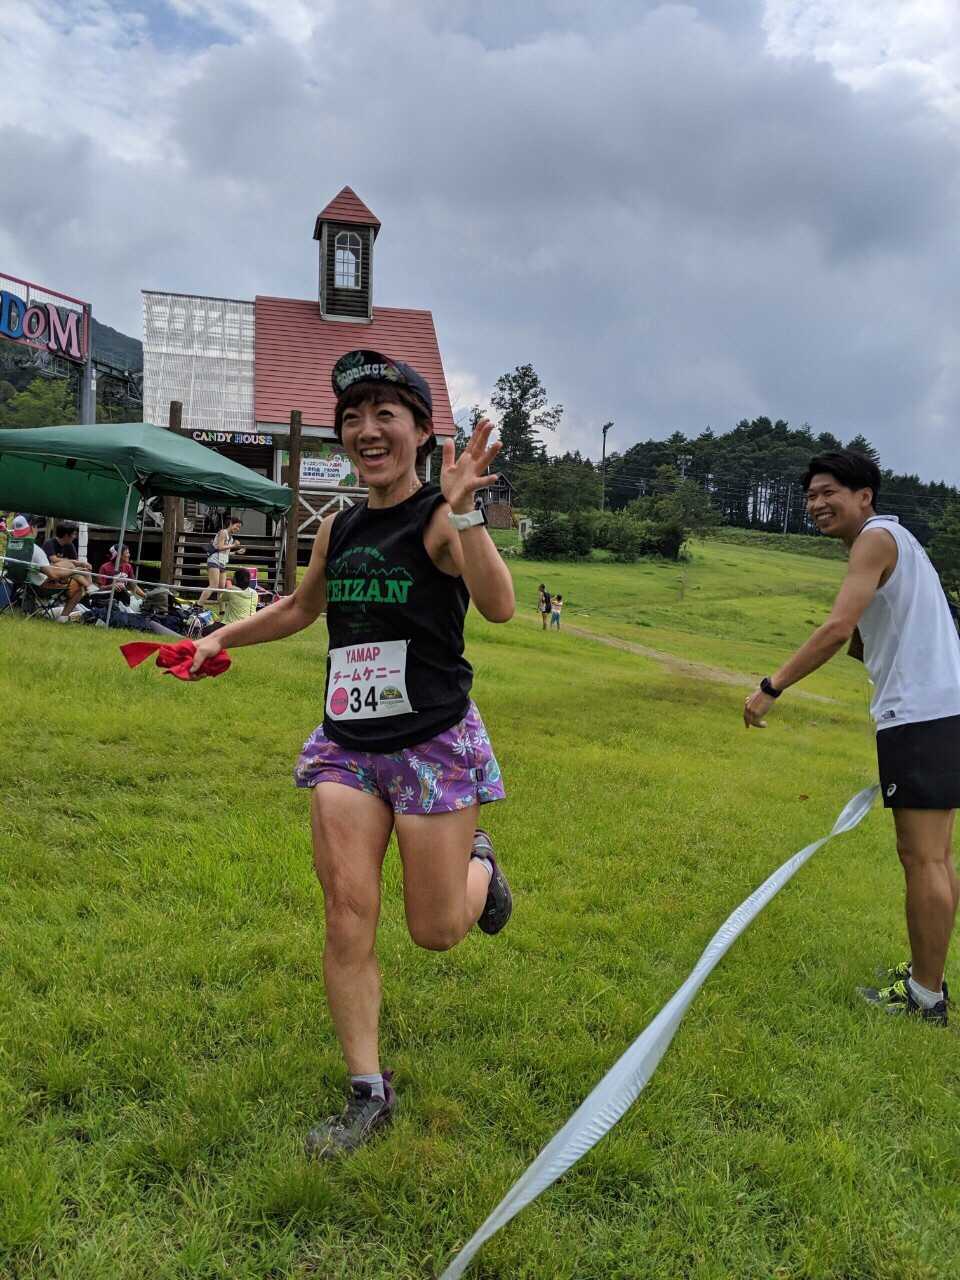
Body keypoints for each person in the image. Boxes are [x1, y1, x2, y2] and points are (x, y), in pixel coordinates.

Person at [189, 348, 516, 1153]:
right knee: (346, 915)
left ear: (420, 433)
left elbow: (500, 605)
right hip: (347, 747)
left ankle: (480, 868)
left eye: (385, 415)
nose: (367, 430)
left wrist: (466, 512)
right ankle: (367, 1092)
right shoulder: (339, 527)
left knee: (436, 930)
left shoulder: (438, 519)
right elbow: (302, 609)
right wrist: (222, 636)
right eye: (353, 418)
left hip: (431, 744)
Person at [743, 449, 960, 1026]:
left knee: (923, 857)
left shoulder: (873, 539)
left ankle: (925, 998)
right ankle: (928, 980)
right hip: (940, 710)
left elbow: (837, 628)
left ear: (865, 496)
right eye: (811, 495)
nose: (816, 503)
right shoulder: (898, 541)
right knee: (934, 857)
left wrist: (771, 686)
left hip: (921, 714)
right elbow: (871, 629)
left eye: (829, 492)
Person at [6, 515, 88, 619]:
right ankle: (62, 619)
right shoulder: (35, 549)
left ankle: (88, 587)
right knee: (78, 589)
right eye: (36, 526)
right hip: (39, 586)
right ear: (32, 528)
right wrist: (73, 571)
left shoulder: (12, 546)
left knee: (66, 566)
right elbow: (52, 575)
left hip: (21, 583)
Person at [197, 517, 244, 607]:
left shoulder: (231, 538)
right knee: (213, 585)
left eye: (239, 528)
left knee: (222, 588)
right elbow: (220, 547)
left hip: (222, 562)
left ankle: (222, 611)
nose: (238, 529)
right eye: (237, 526)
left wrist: (237, 552)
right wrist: (234, 545)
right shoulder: (223, 532)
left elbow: (226, 552)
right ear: (231, 523)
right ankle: (198, 605)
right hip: (214, 560)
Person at [205, 566, 258, 634]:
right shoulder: (254, 593)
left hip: (231, 626)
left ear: (236, 580)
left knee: (205, 631)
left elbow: (221, 599)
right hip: (250, 626)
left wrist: (227, 587)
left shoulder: (232, 590)